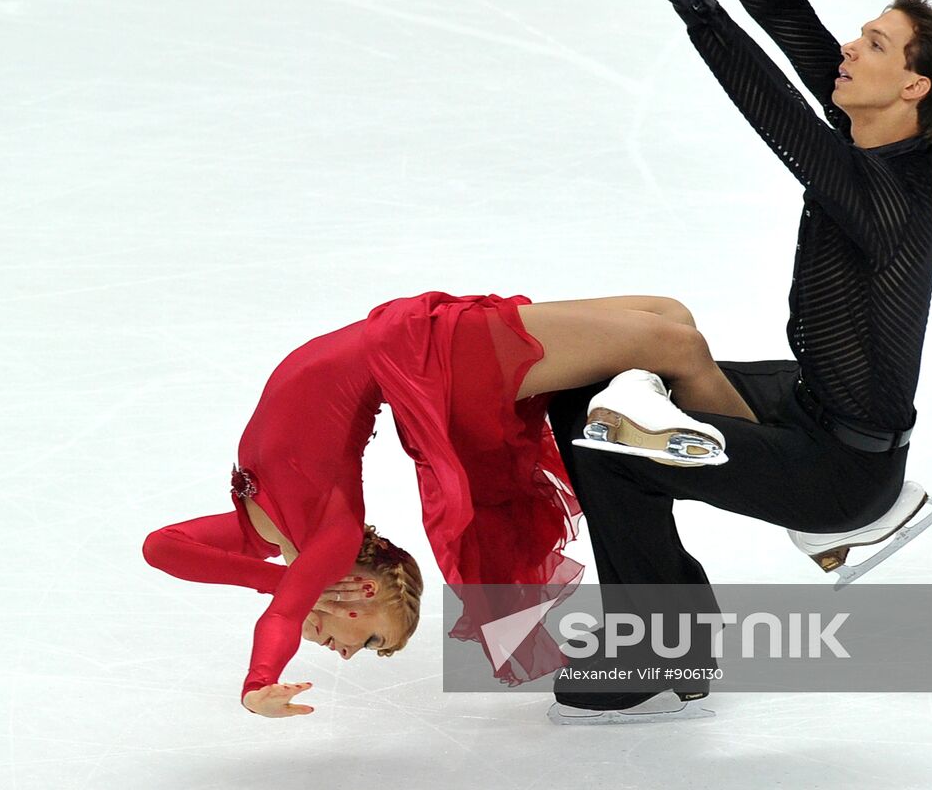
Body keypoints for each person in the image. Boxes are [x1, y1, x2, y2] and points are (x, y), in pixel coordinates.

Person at [546, 0, 932, 724]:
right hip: (811, 401)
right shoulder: (874, 136)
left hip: (835, 466)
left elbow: (770, 108)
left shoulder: (884, 194)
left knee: (609, 446)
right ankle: (673, 620)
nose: (850, 49)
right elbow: (784, 12)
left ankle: (653, 649)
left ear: (913, 84)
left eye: (874, 44)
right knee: (585, 393)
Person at [142, 289, 749, 718]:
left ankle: (787, 483)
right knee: (672, 331)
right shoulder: (289, 539)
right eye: (372, 648)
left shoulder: (323, 543)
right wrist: (279, 580)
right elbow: (177, 554)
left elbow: (163, 548)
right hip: (414, 349)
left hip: (422, 350)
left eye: (375, 643)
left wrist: (259, 682)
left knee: (671, 327)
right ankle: (783, 478)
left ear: (366, 594)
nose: (349, 654)